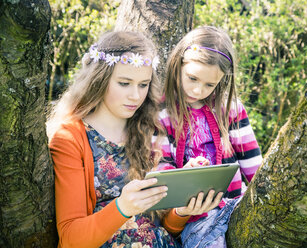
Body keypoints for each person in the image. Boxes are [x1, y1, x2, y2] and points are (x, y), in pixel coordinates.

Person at [47, 30, 215, 248]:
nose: (135, 96)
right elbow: (71, 239)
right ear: (100, 79)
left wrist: (182, 211)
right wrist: (122, 208)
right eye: (124, 83)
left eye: (143, 85)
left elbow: (163, 227)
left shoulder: (148, 130)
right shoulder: (70, 138)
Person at [158, 26, 263, 247]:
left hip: (235, 203)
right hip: (197, 216)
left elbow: (253, 164)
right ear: (179, 63)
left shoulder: (229, 107)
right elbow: (161, 167)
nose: (197, 90)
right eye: (192, 78)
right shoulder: (162, 112)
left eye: (209, 84)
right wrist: (185, 174)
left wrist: (264, 193)